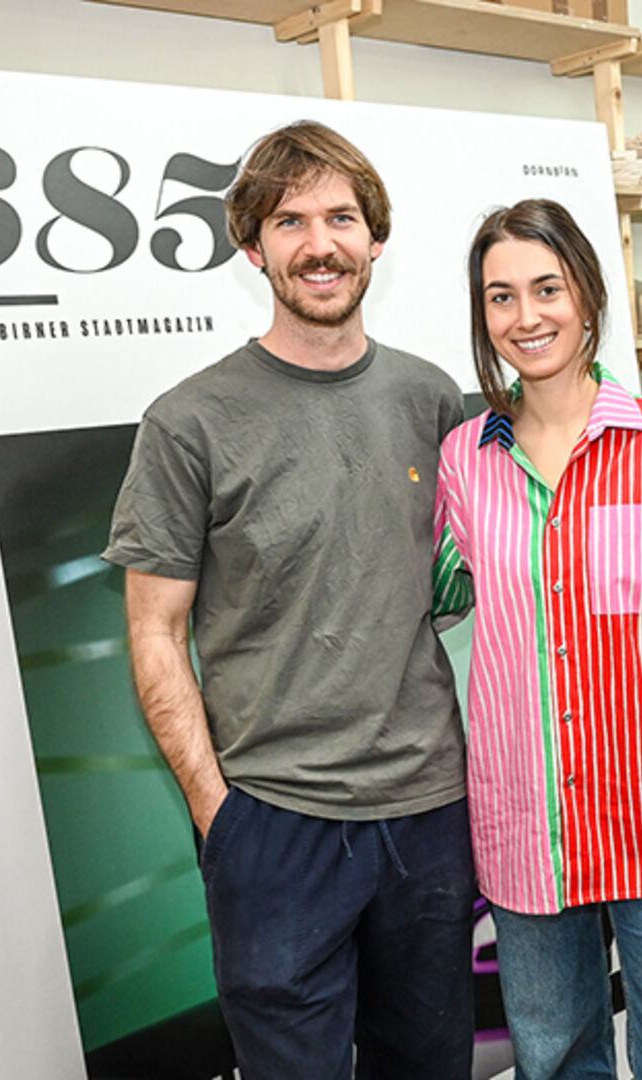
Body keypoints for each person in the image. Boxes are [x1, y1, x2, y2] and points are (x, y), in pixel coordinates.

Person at [102, 121, 474, 1079]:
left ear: (376, 239)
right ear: (251, 244)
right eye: (291, 219)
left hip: (429, 810)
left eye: (343, 217)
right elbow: (153, 631)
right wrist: (217, 811)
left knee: (429, 1065)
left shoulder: (435, 401)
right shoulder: (190, 422)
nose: (321, 243)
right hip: (273, 821)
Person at [433, 198, 642, 1080]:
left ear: (588, 297)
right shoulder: (467, 458)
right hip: (523, 818)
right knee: (556, 1058)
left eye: (547, 288)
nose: (526, 316)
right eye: (501, 297)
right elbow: (436, 599)